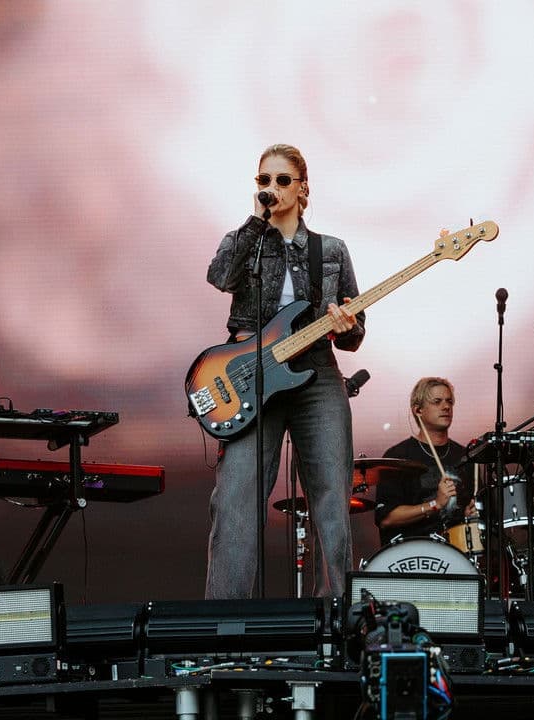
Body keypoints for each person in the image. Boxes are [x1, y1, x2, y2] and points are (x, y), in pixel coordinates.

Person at [205, 143, 365, 599]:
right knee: (236, 501)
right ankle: (223, 621)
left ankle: (334, 618)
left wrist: (347, 325)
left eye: (281, 180)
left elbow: (355, 333)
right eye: (263, 180)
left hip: (316, 373)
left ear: (303, 190)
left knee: (332, 501)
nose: (271, 187)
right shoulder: (242, 239)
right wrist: (256, 222)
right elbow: (221, 278)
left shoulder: (331, 250)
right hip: (251, 375)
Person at [375, 377, 474, 546]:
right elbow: (387, 519)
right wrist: (435, 504)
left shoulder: (466, 456)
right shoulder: (398, 456)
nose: (446, 407)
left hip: (458, 551)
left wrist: (471, 514)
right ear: (418, 410)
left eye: (449, 401)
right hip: (414, 553)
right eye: (437, 401)